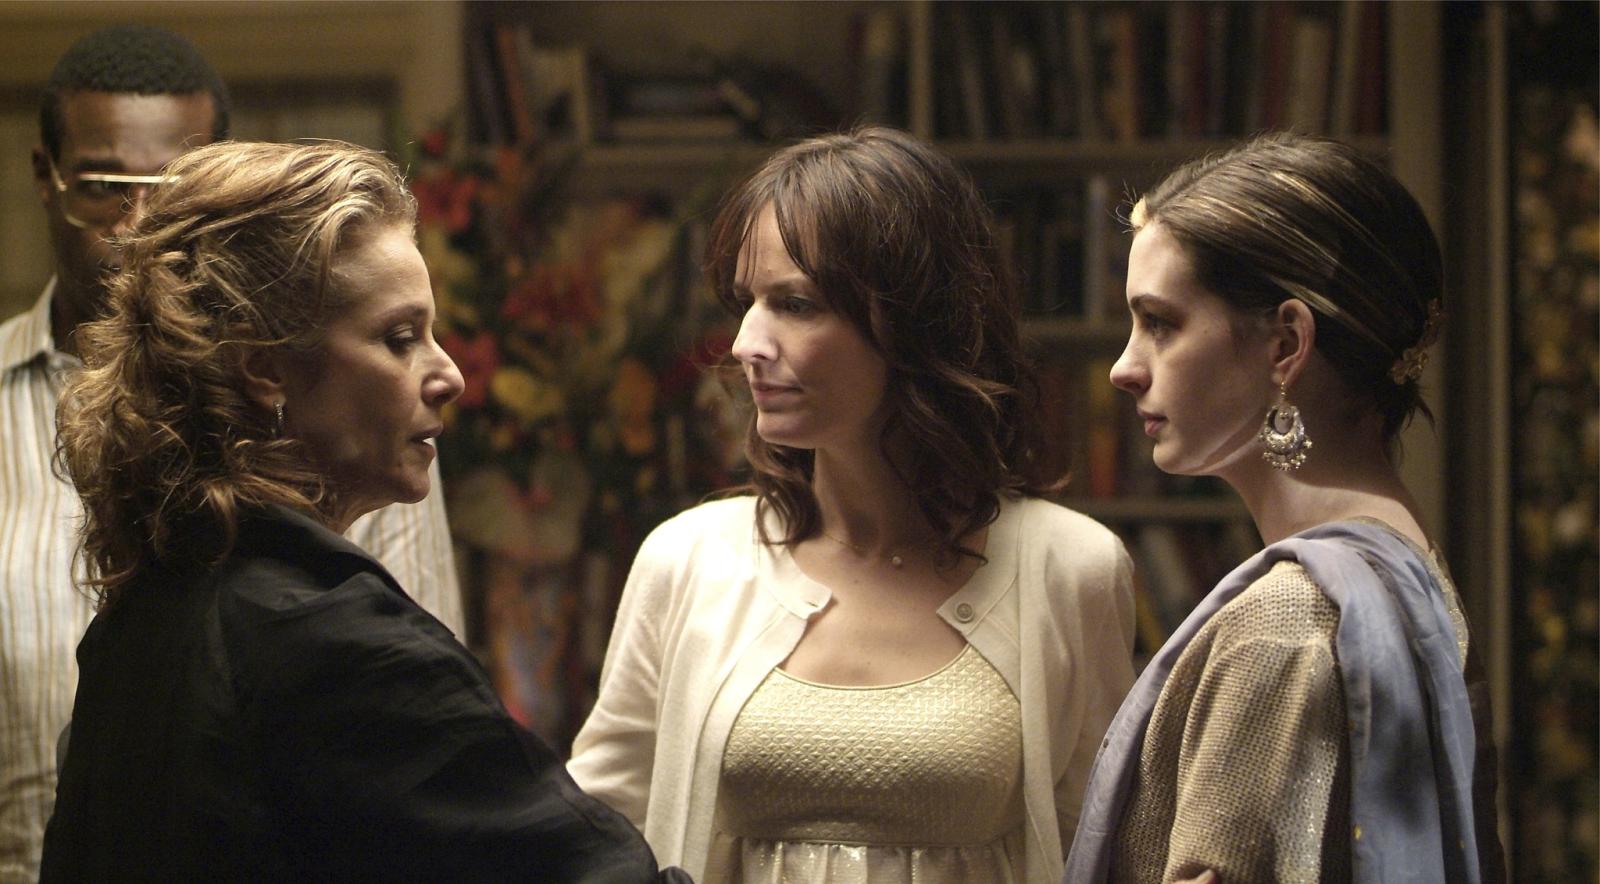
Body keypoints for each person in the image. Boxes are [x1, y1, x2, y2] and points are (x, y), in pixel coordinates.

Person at [39, 140, 687, 882]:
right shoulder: (336, 647)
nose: (449, 375)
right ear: (265, 368)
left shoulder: (141, 614)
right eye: (399, 339)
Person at [567, 126, 1137, 883]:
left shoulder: (1069, 568)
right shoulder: (688, 560)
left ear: (915, 322)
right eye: (748, 302)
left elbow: (1104, 847)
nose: (745, 343)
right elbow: (595, 829)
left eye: (795, 304)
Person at [0, 25, 463, 879]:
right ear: (47, 176)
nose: (139, 224)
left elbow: (426, 739)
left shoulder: (359, 436)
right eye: (106, 187)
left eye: (173, 190)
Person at [1063, 132, 1505, 883]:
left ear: (1284, 347)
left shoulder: (1285, 624)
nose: (1123, 368)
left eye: (1160, 323)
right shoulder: (1407, 574)